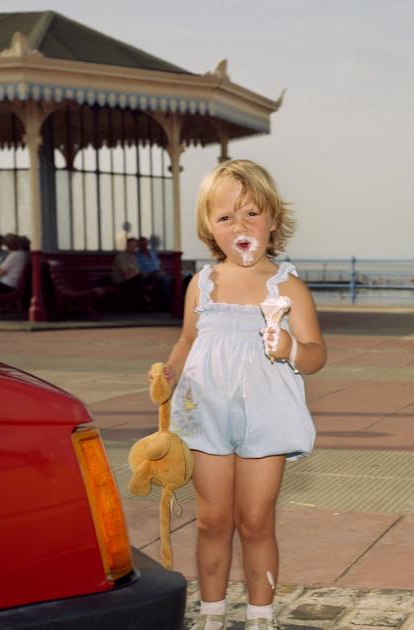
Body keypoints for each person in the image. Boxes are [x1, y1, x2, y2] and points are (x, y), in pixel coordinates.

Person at [161, 159, 326, 630]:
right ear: (210, 229)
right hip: (205, 414)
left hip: (266, 416)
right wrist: (168, 374)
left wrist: (290, 348)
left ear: (273, 220)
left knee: (255, 521)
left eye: (251, 213)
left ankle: (260, 616)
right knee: (212, 521)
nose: (240, 227)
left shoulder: (288, 287)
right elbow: (188, 340)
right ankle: (211, 614)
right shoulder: (202, 284)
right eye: (226, 217)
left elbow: (316, 354)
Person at [137, 235, 172, 308]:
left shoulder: (152, 253)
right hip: (148, 277)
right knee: (165, 280)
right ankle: (166, 305)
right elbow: (140, 271)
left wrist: (161, 271)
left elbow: (159, 264)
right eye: (142, 244)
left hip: (159, 274)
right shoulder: (137, 256)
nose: (145, 246)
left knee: (172, 280)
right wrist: (154, 273)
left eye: (146, 244)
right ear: (139, 245)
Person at [111, 237, 145, 308]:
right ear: (127, 245)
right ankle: (141, 304)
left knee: (141, 279)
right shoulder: (121, 256)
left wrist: (133, 273)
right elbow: (125, 274)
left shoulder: (133, 257)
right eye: (131, 245)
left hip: (131, 279)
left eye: (135, 246)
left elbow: (136, 271)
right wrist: (134, 273)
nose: (133, 247)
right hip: (121, 281)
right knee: (139, 279)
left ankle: (140, 304)